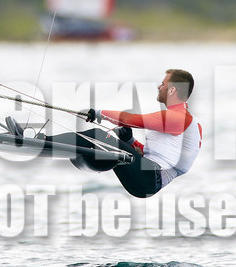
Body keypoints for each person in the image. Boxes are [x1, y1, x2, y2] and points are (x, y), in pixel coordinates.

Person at [48, 69, 201, 198]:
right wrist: (129, 140)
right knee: (100, 141)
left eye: (163, 84)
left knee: (98, 136)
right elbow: (154, 154)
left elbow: (135, 120)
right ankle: (48, 143)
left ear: (172, 90)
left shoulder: (179, 118)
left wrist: (99, 113)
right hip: (148, 180)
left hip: (149, 178)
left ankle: (44, 141)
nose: (159, 87)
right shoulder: (188, 122)